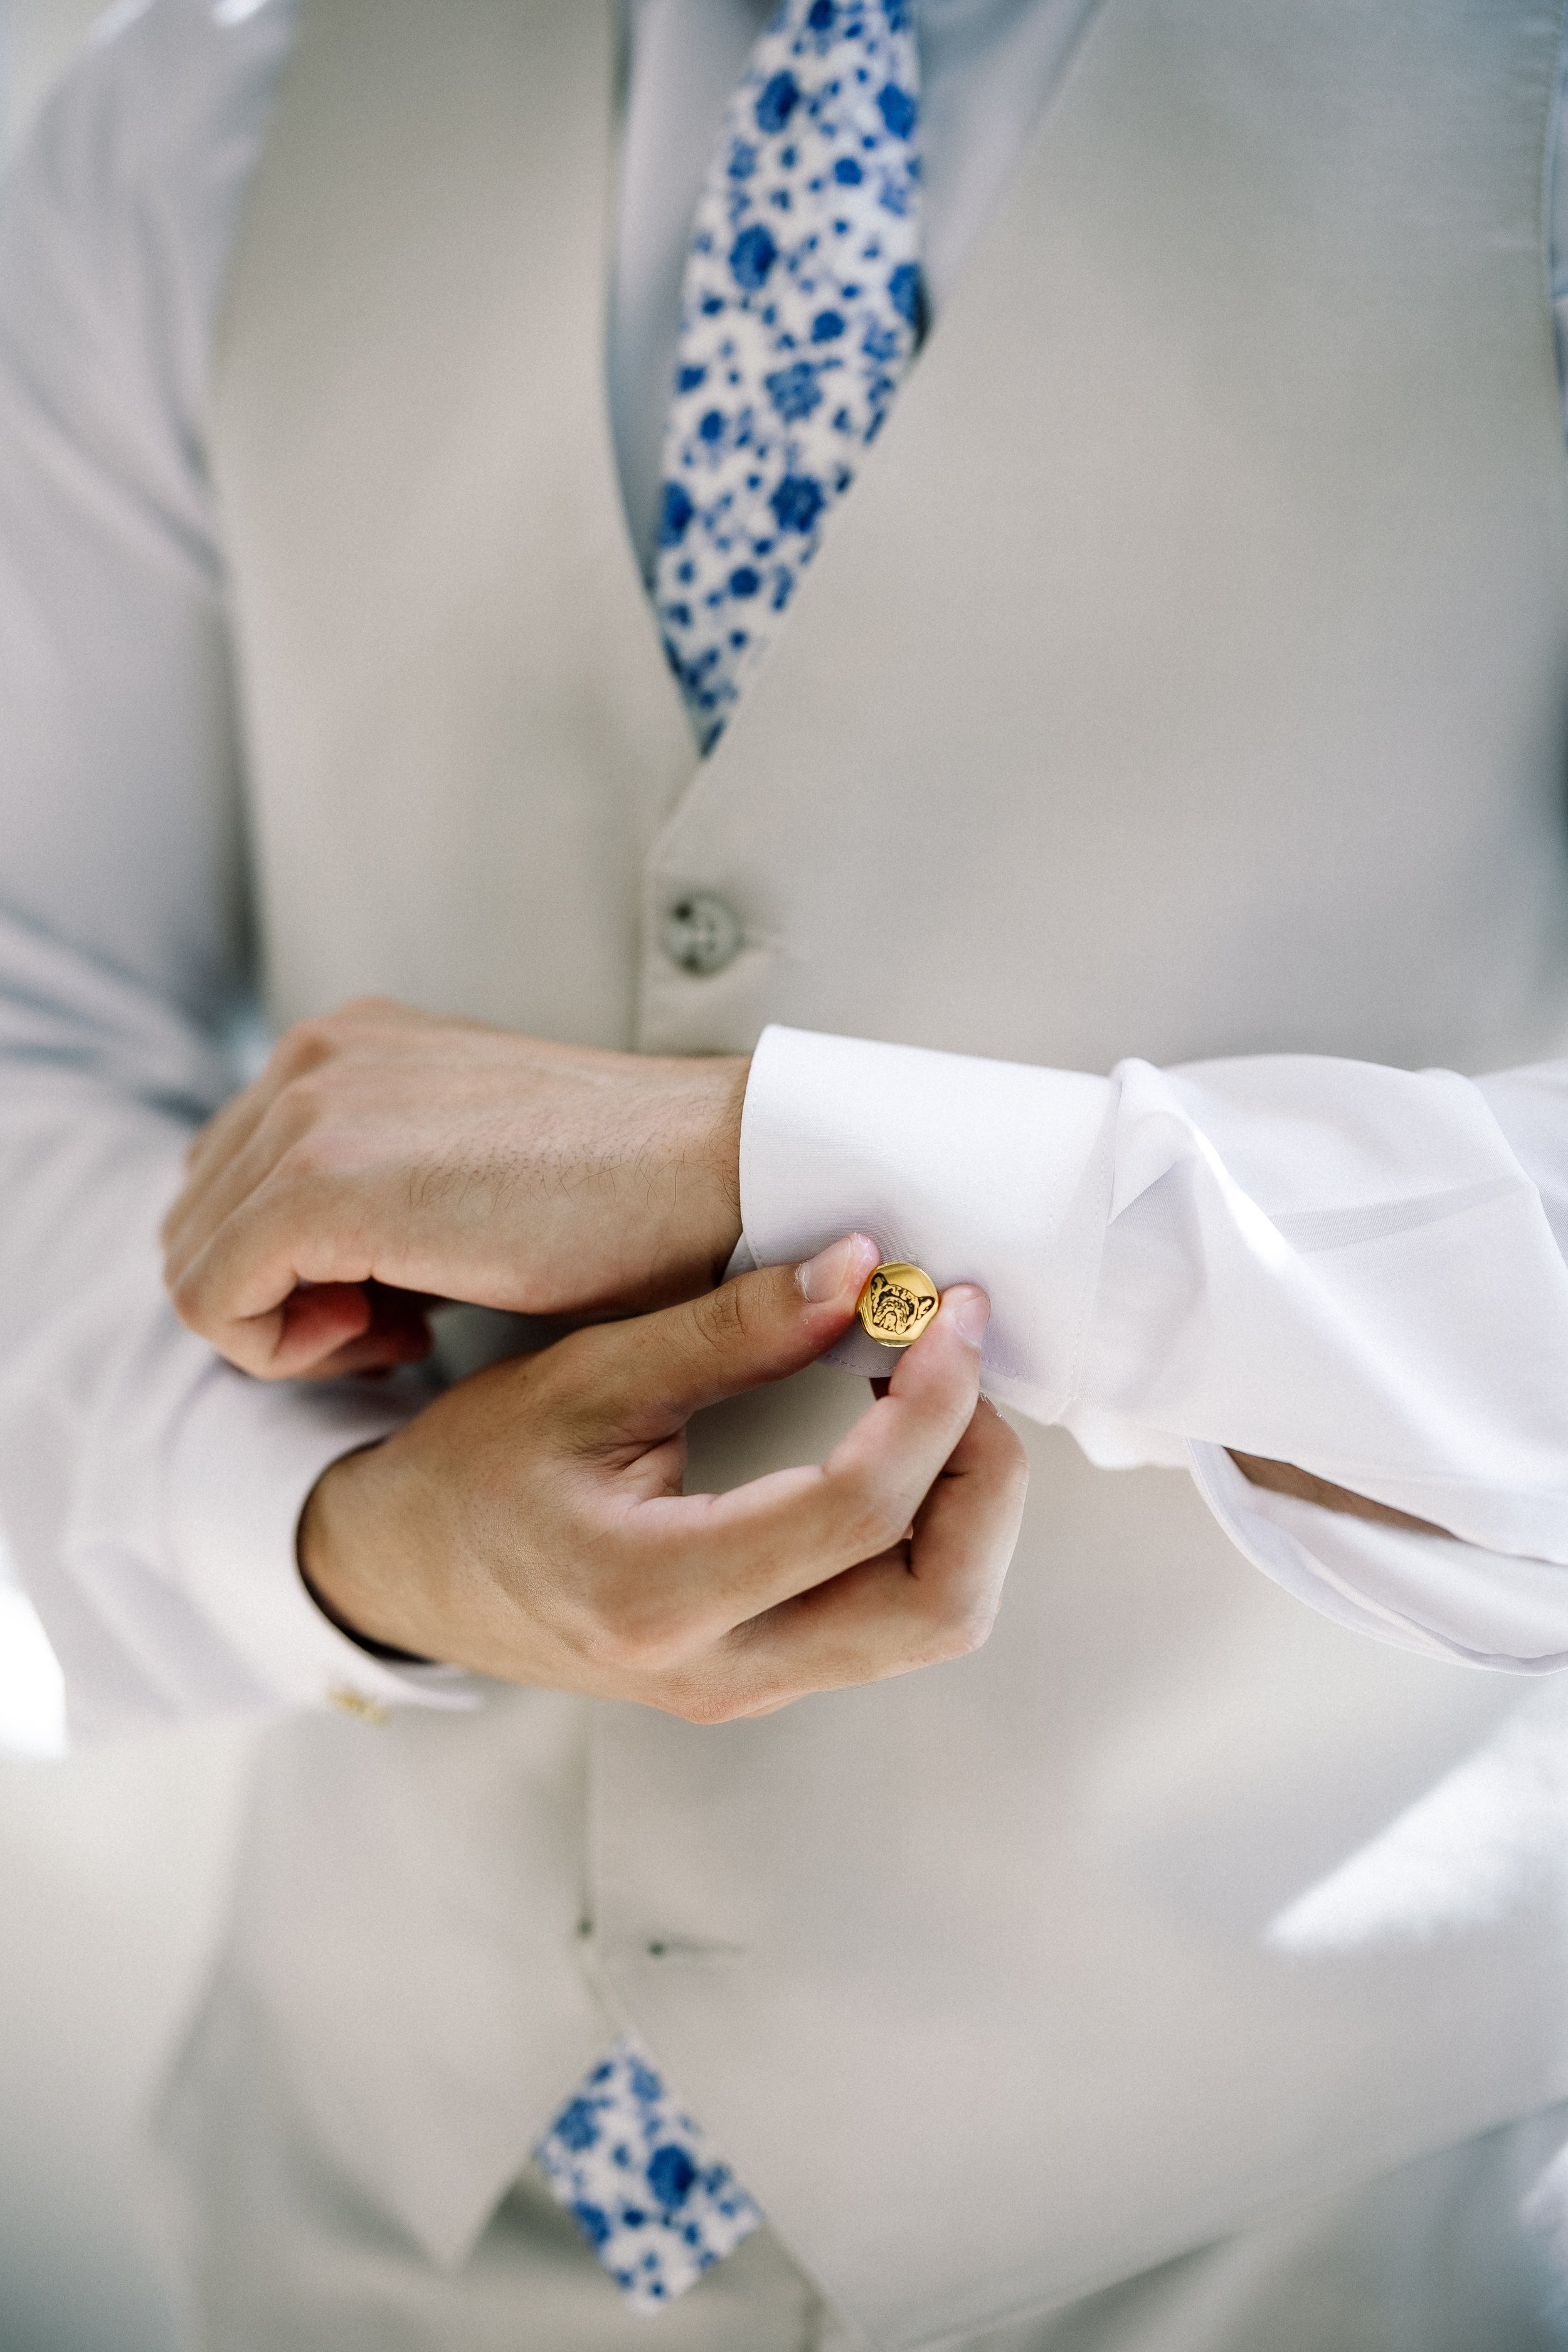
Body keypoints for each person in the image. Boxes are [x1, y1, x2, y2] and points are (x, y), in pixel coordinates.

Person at [7, 0, 1568, 2342]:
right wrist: (333, 1542)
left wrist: (802, 1175)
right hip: (351, 2229)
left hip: (1339, 2244)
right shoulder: (199, 115)